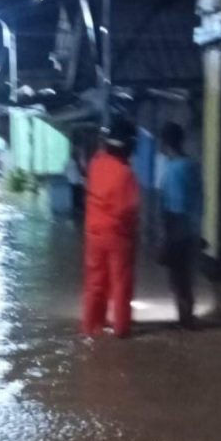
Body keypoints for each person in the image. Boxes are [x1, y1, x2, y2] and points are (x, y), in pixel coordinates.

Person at [82, 117, 140, 339]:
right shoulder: (126, 174)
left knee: (95, 282)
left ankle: (90, 327)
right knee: (120, 283)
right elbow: (130, 209)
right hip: (118, 237)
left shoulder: (96, 164)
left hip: (93, 234)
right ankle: (121, 329)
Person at [158, 121, 202, 329]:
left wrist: (167, 238)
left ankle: (185, 321)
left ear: (166, 144)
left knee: (178, 279)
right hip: (192, 231)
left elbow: (176, 207)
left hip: (178, 231)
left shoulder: (175, 169)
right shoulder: (192, 165)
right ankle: (188, 318)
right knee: (186, 277)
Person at [65, 145, 86, 214]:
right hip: (76, 182)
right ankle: (78, 208)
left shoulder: (69, 163)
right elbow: (80, 172)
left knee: (75, 196)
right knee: (78, 196)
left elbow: (65, 172)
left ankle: (76, 208)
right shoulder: (74, 163)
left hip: (73, 182)